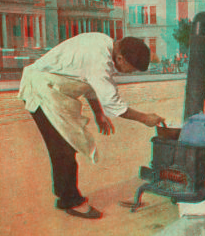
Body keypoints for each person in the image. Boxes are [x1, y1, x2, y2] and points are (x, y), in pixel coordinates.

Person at [18, 33, 165, 220]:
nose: (130, 73)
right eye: (131, 69)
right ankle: (70, 201)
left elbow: (89, 84)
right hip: (41, 91)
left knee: (65, 145)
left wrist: (98, 114)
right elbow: (113, 104)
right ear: (120, 58)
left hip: (53, 92)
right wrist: (145, 118)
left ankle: (64, 193)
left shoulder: (105, 44)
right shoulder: (100, 59)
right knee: (63, 146)